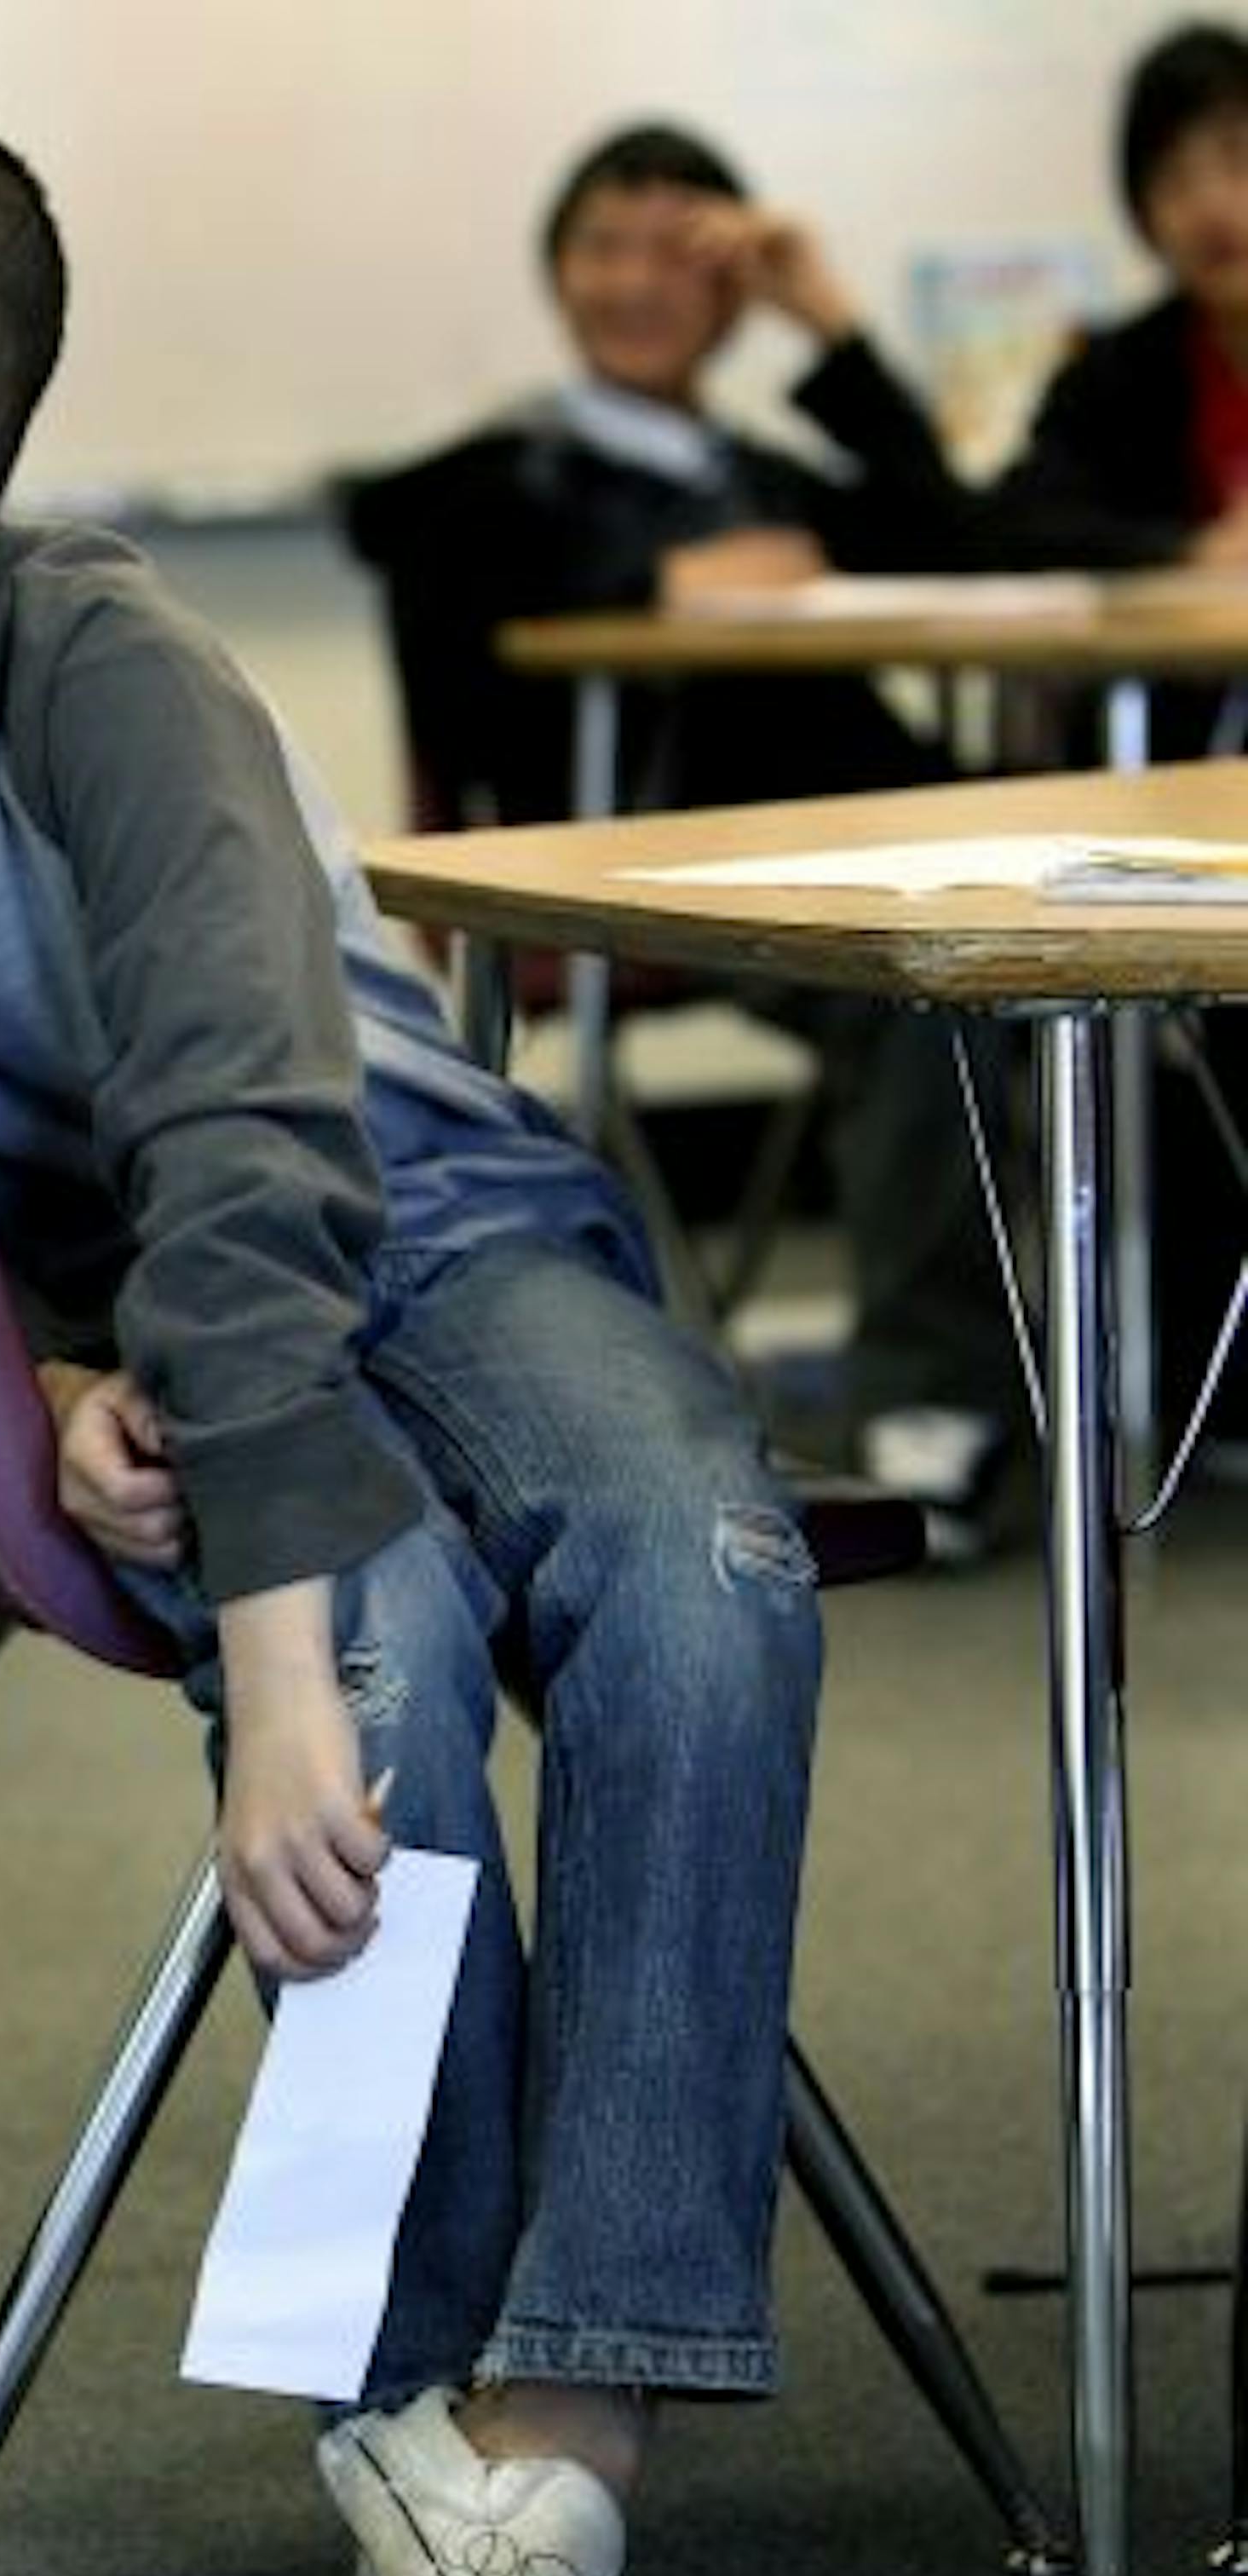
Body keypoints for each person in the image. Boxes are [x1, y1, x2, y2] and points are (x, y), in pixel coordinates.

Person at [0, 95, 821, 2576]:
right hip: (165, 1335)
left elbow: (250, 1149)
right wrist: (29, 1384)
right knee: (377, 1683)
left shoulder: (97, 665)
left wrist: (255, 1656)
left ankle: (557, 2426)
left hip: (427, 1225)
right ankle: (426, 2413)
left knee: (698, 1563)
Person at [344, 122, 1023, 1557]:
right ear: (557, 272)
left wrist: (827, 321)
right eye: (606, 245)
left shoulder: (766, 476)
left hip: (870, 849)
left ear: (733, 291)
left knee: (1108, 980)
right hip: (643, 882)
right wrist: (657, 578)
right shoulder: (485, 486)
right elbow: (455, 670)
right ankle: (930, 1414)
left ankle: (1146, 1380)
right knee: (929, 992)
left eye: (682, 252)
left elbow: (973, 544)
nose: (639, 281)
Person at [986, 20, 1248, 1438]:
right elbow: (1021, 525)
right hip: (1168, 816)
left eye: (1239, 162)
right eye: (1175, 177)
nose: (1212, 206)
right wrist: (1191, 552)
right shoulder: (1124, 371)